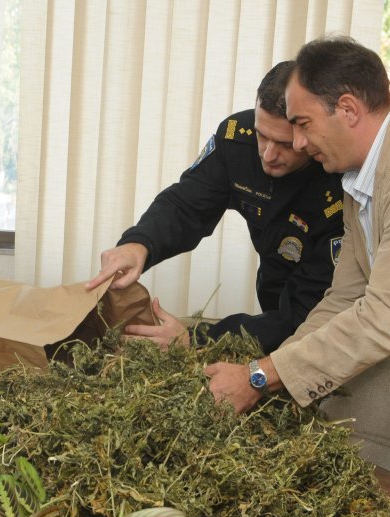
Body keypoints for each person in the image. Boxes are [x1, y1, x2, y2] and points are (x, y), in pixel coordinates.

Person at [204, 36, 390, 481]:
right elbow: (344, 297)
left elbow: (385, 314)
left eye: (303, 124)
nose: (297, 141)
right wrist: (273, 381)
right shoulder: (359, 179)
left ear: (348, 110)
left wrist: (260, 376)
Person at [86, 61, 344, 354]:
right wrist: (139, 244)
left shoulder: (337, 180)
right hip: (273, 276)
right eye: (262, 135)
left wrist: (199, 340)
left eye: (285, 143)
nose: (269, 155)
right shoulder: (236, 138)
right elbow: (186, 204)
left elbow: (304, 319)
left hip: (322, 304)